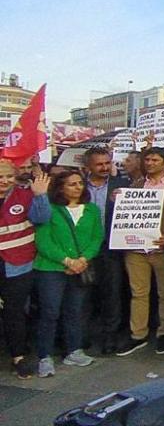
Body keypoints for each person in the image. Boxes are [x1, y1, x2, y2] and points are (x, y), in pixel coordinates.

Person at [117, 147, 164, 357]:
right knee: (138, 293)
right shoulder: (135, 185)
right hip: (136, 248)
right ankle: (138, 334)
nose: (149, 163)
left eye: (154, 160)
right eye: (147, 159)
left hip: (162, 248)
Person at [34, 169, 104, 377]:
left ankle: (74, 350)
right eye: (72, 184)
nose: (78, 187)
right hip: (51, 268)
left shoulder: (91, 210)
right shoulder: (51, 209)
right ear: (60, 187)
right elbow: (43, 240)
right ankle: (44, 356)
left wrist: (82, 260)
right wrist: (67, 260)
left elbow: (96, 237)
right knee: (50, 312)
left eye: (80, 183)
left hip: (80, 267)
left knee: (75, 311)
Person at [0, 159, 51, 379]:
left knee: (14, 312)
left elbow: (42, 218)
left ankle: (18, 356)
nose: (4, 181)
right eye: (0, 177)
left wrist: (40, 195)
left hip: (17, 264)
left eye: (8, 176)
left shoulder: (24, 194)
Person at [82, 146, 131, 355]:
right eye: (99, 164)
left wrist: (124, 200)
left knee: (112, 293)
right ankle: (81, 337)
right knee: (84, 295)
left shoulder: (121, 186)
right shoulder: (77, 187)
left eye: (107, 163)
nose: (104, 167)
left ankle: (110, 337)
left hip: (111, 248)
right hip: (82, 250)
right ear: (87, 167)